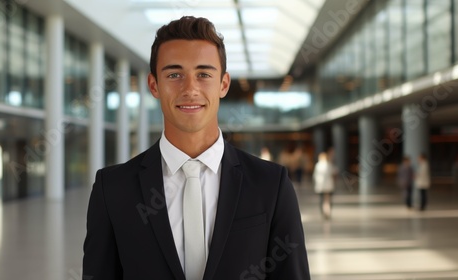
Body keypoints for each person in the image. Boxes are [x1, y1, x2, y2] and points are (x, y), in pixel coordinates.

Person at [83, 16, 310, 280]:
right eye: (174, 74)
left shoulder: (271, 184)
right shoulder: (112, 189)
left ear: (223, 84)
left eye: (203, 74)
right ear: (154, 85)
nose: (190, 88)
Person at [312, 152, 337, 219]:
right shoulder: (329, 164)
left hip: (321, 185)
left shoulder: (317, 165)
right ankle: (328, 211)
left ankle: (323, 212)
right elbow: (334, 173)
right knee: (328, 199)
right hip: (329, 185)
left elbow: (314, 175)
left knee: (322, 199)